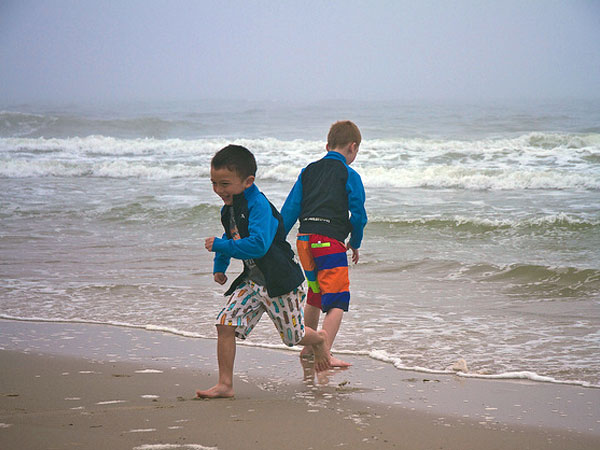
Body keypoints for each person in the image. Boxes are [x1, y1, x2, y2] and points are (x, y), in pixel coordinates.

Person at [197, 144, 330, 399]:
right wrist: (220, 265)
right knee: (224, 323)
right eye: (214, 183)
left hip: (281, 283)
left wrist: (221, 245)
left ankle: (320, 339)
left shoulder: (259, 205)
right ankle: (225, 384)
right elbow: (231, 235)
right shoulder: (230, 207)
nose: (218, 190)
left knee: (293, 337)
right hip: (253, 282)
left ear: (248, 181)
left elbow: (258, 244)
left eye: (224, 183)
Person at [281, 121, 367, 367]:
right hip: (328, 242)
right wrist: (355, 241)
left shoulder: (308, 171)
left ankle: (308, 348)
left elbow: (290, 210)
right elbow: (359, 215)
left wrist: (278, 240)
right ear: (353, 147)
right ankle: (324, 352)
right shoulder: (350, 174)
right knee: (337, 301)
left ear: (328, 146)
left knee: (315, 295)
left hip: (304, 241)